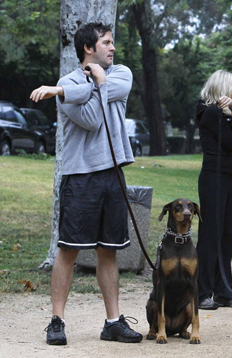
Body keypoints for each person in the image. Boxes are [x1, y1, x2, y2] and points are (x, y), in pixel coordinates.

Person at [30, 23, 142, 345]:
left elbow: (112, 91)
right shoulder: (68, 81)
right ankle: (57, 321)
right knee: (69, 250)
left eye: (112, 42)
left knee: (109, 251)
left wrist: (65, 91)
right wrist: (79, 89)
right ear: (88, 48)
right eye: (106, 43)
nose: (113, 48)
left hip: (113, 174)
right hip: (80, 177)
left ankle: (113, 322)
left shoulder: (120, 72)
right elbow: (93, 119)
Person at [195, 70, 232, 310]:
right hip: (213, 177)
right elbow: (231, 144)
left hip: (231, 177)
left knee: (228, 234)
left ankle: (223, 290)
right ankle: (202, 292)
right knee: (211, 236)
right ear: (223, 87)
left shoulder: (226, 111)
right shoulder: (210, 111)